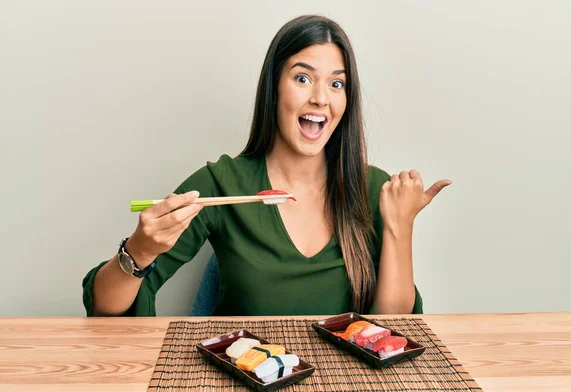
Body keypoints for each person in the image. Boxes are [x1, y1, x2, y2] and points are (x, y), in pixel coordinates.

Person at [82, 14, 451, 317]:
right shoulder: (221, 183)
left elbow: (394, 330)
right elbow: (105, 308)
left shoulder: (373, 188)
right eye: (303, 78)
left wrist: (400, 225)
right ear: (274, 87)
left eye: (337, 84)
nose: (320, 98)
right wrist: (139, 252)